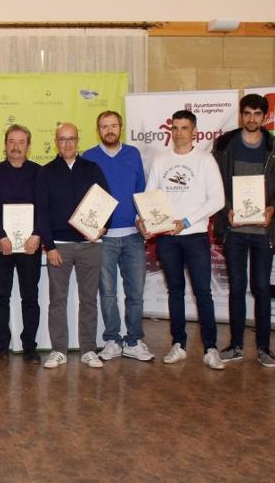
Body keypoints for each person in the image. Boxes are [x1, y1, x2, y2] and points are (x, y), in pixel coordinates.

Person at [140, 110, 226, 370]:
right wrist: (145, 221)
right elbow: (150, 196)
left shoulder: (205, 160)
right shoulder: (161, 160)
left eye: (184, 128)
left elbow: (217, 200)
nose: (178, 133)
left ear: (194, 132)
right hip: (166, 239)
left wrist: (186, 222)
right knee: (174, 291)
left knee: (203, 292)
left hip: (195, 236)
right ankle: (178, 344)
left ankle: (211, 348)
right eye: (175, 128)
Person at [212, 94, 275, 368]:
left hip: (263, 231)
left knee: (262, 289)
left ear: (265, 117)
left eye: (257, 113)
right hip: (234, 230)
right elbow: (215, 184)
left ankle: (264, 348)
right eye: (247, 113)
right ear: (241, 115)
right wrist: (226, 210)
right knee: (236, 288)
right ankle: (235, 345)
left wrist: (272, 209)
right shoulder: (223, 145)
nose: (252, 118)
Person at [35, 122, 110, 369]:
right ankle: (59, 350)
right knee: (57, 300)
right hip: (59, 246)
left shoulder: (92, 169)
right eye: (62, 139)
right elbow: (41, 213)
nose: (67, 143)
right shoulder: (45, 172)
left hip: (91, 245)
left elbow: (105, 202)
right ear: (56, 142)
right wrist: (50, 246)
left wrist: (104, 227)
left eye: (71, 139)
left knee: (89, 299)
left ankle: (88, 349)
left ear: (78, 141)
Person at [82, 111, 154, 362]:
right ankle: (112, 339)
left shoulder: (133, 154)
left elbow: (140, 191)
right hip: (104, 238)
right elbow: (85, 198)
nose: (109, 130)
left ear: (120, 127)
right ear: (98, 130)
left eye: (113, 125)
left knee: (135, 292)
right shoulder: (89, 157)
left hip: (134, 235)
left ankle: (134, 340)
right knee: (108, 292)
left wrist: (143, 219)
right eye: (104, 126)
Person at [0, 124, 43, 363]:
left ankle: (29, 347)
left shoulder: (40, 173)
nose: (16, 146)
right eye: (11, 141)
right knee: (1, 296)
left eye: (21, 142)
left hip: (30, 245)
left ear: (28, 146)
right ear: (5, 145)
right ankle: (1, 346)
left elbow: (44, 207)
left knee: (30, 297)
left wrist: (37, 234)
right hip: (1, 246)